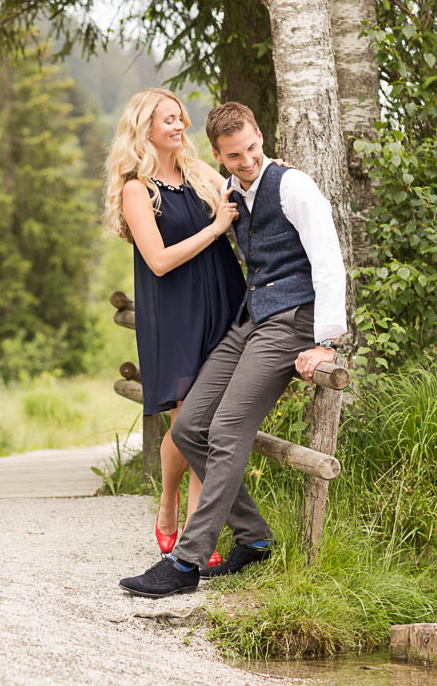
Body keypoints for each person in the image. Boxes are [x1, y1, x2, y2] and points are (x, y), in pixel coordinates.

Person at [118, 101, 347, 598]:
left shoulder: (293, 186)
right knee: (189, 425)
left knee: (225, 427)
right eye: (235, 156)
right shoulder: (222, 190)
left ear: (260, 136)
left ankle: (185, 562)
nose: (248, 161)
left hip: (291, 320)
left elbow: (329, 263)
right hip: (251, 317)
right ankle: (255, 538)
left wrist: (326, 342)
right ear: (219, 157)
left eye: (253, 149)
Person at [103, 88, 245, 567]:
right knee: (186, 421)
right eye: (169, 120)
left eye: (181, 118)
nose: (180, 126)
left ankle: (196, 533)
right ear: (145, 128)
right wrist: (215, 229)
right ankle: (168, 504)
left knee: (205, 421)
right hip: (177, 311)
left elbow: (238, 187)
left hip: (221, 302)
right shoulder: (136, 190)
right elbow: (159, 262)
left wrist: (267, 167)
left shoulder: (196, 172)